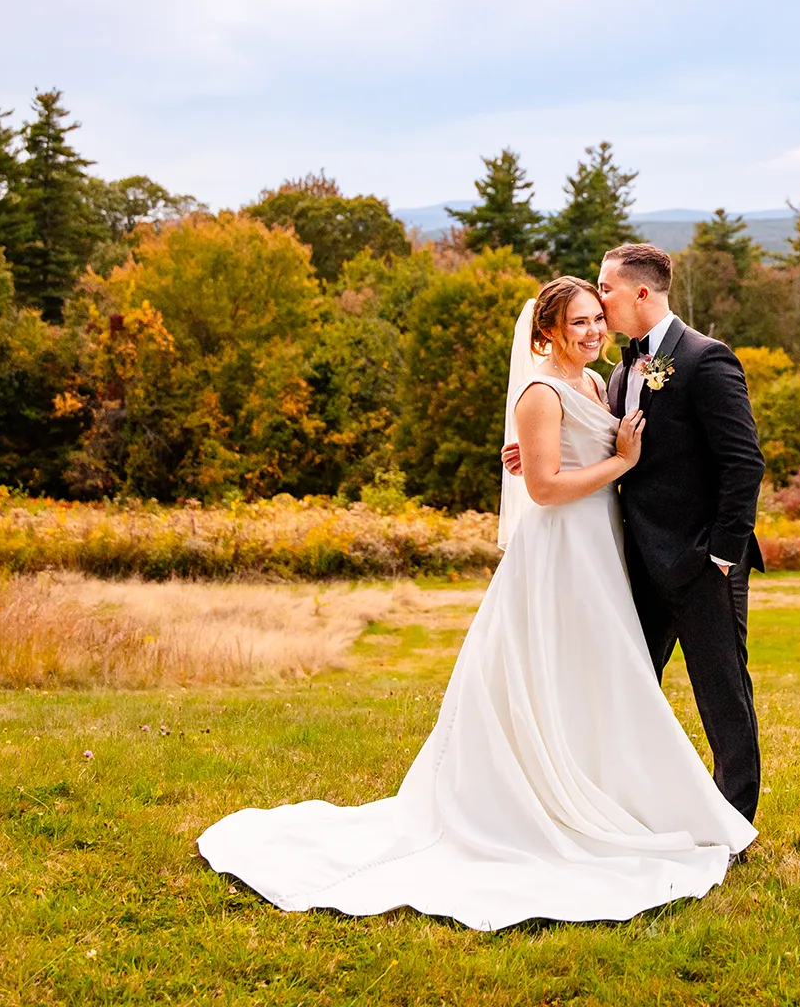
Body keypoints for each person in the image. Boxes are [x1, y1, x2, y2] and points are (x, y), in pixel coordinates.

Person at [197, 277, 755, 931]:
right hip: (561, 552)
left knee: (599, 680)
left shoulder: (601, 384)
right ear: (546, 332)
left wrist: (600, 458)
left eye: (595, 320)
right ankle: (539, 802)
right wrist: (617, 462)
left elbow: (625, 450)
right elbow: (546, 491)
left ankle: (603, 789)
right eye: (577, 323)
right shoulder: (541, 391)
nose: (592, 331)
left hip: (604, 550)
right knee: (563, 672)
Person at [508, 243, 766, 822]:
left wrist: (724, 554)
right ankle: (614, 802)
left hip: (703, 563)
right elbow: (603, 442)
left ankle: (734, 820)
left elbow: (743, 463)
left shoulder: (706, 358)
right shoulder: (621, 369)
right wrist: (537, 451)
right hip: (636, 565)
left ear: (640, 293)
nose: (600, 299)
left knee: (722, 694)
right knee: (625, 689)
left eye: (607, 290)